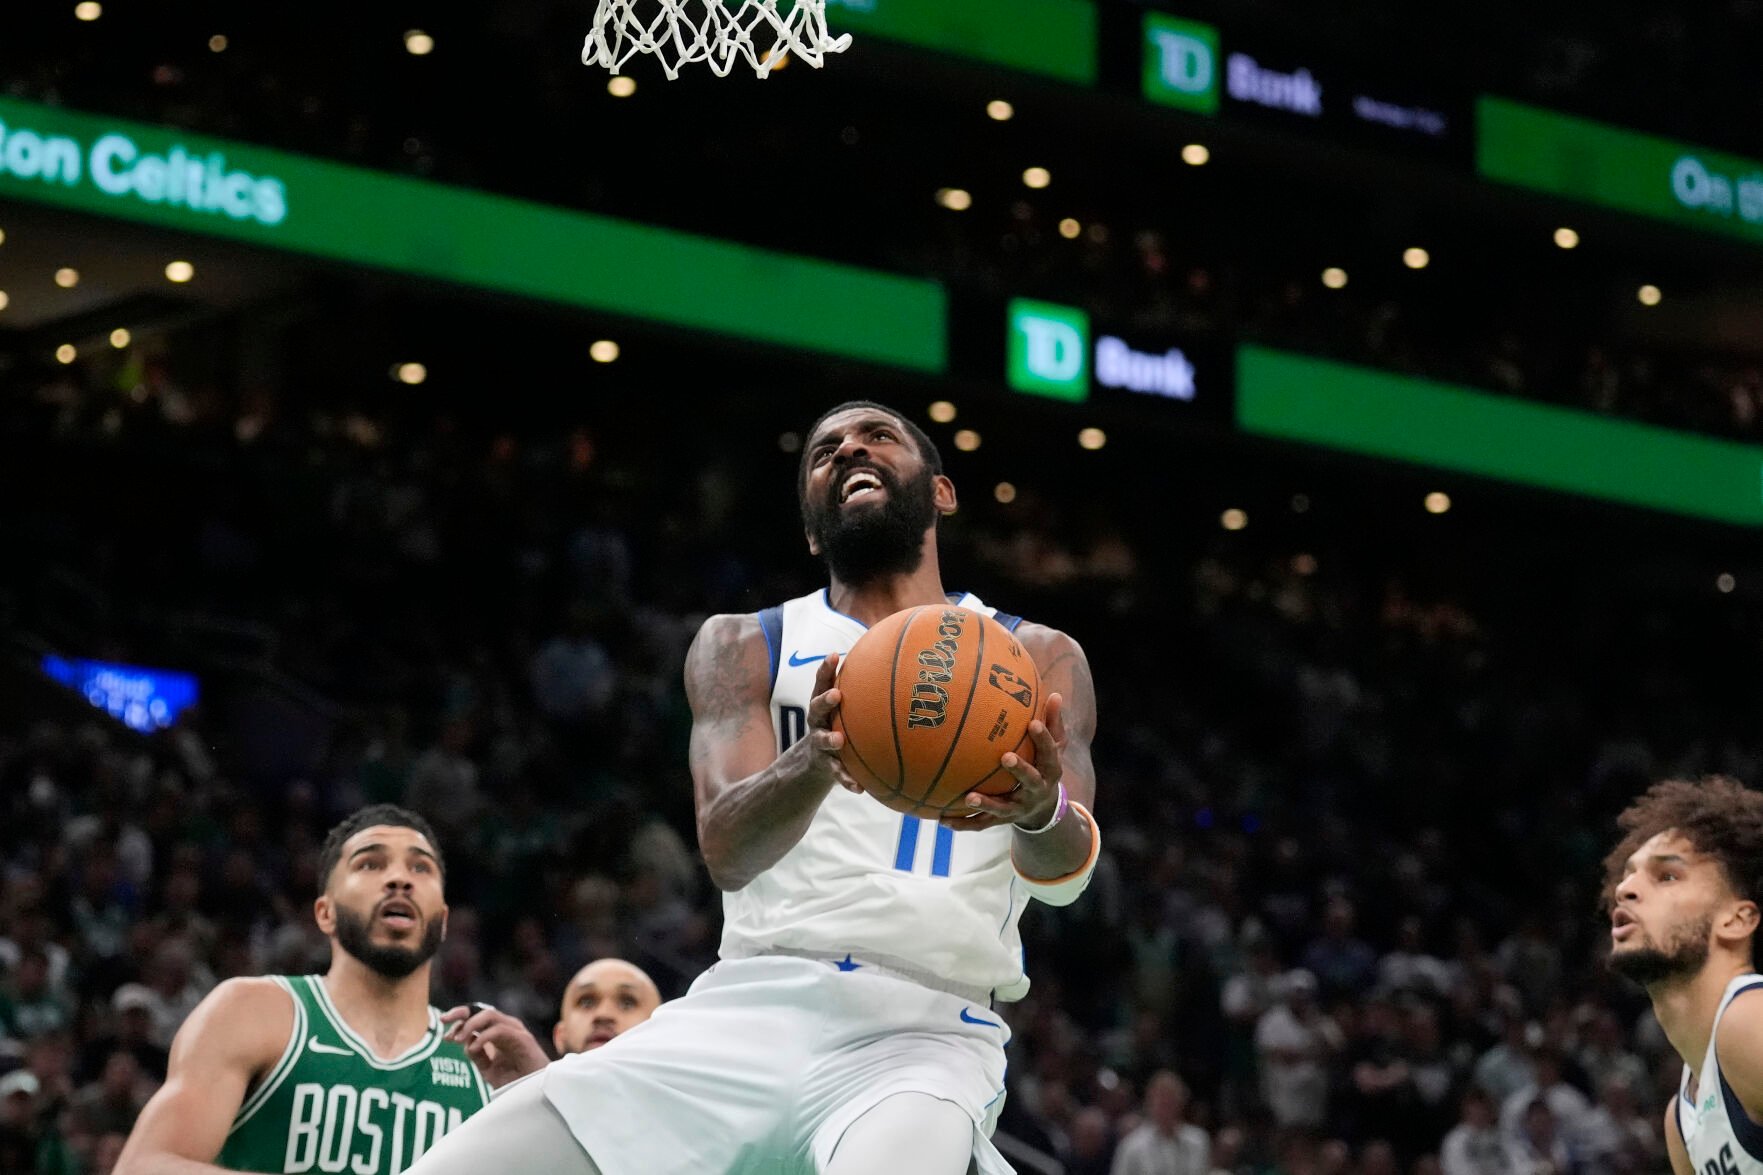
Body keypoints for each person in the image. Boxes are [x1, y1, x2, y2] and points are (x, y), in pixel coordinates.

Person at [408, 400, 1102, 1175]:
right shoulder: (744, 643)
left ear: (940, 492)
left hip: (924, 1029)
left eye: (877, 437)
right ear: (811, 527)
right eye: (823, 451)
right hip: (750, 1002)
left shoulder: (1036, 654)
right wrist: (814, 758)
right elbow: (726, 850)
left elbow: (1065, 875)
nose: (848, 451)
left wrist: (1043, 810)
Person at [115, 804, 548, 1173]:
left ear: (444, 919)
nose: (400, 879)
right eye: (370, 864)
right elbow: (144, 1166)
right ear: (325, 913)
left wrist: (548, 1097)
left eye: (421, 867)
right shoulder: (257, 1010)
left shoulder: (482, 1062)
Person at [1603, 776, 1763, 1175]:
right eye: (1628, 875)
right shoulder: (1681, 1120)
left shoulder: (1746, 1022)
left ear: (1736, 920)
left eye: (1667, 876)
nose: (1625, 889)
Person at [1109, 1070, 1210, 1175]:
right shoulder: (1132, 1147)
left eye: (1171, 1099)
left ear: (1182, 1102)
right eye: (1161, 1099)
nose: (1166, 1104)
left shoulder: (1199, 1140)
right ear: (1149, 1102)